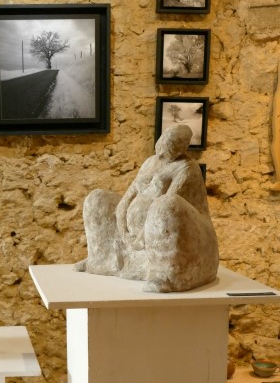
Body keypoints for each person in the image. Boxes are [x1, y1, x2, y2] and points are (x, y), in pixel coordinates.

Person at [75, 123, 219, 292]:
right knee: (96, 198)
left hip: (159, 230)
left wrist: (140, 238)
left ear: (181, 148)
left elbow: (169, 199)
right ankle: (101, 259)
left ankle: (163, 275)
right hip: (132, 235)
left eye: (169, 147)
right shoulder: (150, 162)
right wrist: (123, 229)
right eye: (162, 145)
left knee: (166, 204)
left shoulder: (187, 168)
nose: (162, 152)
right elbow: (127, 198)